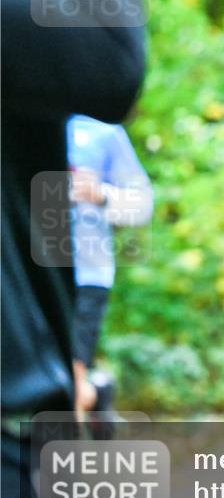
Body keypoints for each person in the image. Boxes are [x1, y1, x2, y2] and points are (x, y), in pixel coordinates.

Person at [2, 0, 146, 498]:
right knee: (84, 387)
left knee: (77, 386)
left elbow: (136, 204)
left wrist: (98, 199)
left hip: (88, 272)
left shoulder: (93, 122)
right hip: (58, 261)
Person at [67, 115, 153, 414]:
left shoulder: (101, 130)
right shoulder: (17, 118)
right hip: (21, 276)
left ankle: (62, 456)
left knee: (69, 380)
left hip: (86, 273)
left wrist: (101, 194)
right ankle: (97, 387)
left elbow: (143, 205)